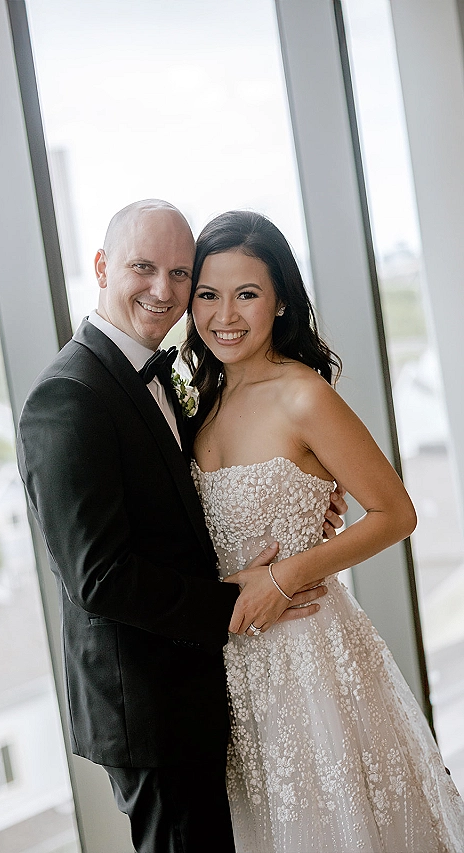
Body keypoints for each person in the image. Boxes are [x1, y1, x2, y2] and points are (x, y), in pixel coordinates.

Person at [16, 200, 346, 853]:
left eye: (179, 272)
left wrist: (297, 498)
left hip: (204, 686)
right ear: (104, 265)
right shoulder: (69, 395)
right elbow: (101, 577)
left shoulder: (168, 377)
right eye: (143, 267)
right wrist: (248, 597)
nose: (163, 290)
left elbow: (186, 505)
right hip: (150, 705)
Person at [182, 209, 464, 853]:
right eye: (208, 294)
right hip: (231, 663)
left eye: (246, 294)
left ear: (280, 300)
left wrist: (285, 574)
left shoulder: (304, 396)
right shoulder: (197, 403)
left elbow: (397, 513)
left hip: (310, 650)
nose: (225, 314)